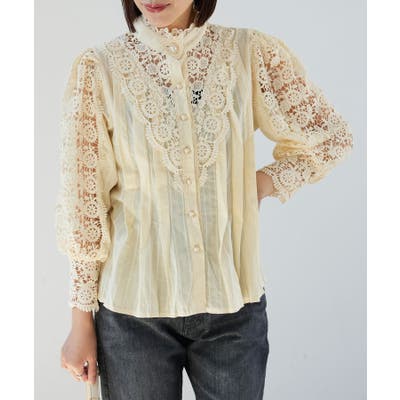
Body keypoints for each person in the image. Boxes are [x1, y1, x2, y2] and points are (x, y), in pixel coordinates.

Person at [55, 1, 353, 399]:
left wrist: (263, 182)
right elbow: (84, 203)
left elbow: (329, 136)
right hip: (132, 314)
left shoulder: (248, 54)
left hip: (233, 310)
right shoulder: (101, 68)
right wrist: (80, 322)